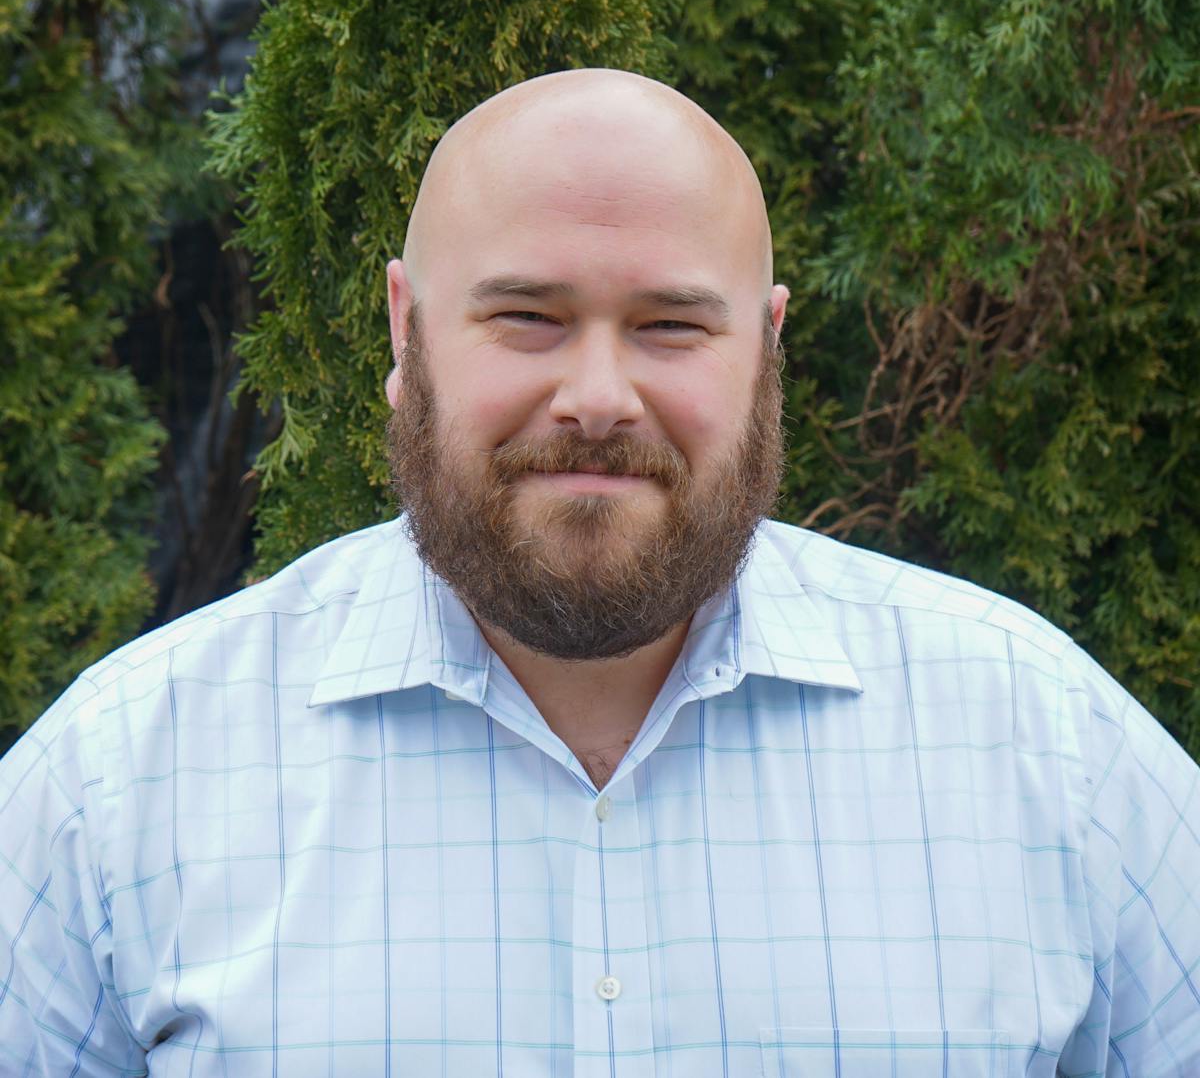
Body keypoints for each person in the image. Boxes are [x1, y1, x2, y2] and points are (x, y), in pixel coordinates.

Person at [1, 69, 1197, 1078]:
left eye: (673, 326)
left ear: (768, 347)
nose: (597, 397)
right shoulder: (115, 787)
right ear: (404, 334)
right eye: (526, 315)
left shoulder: (1048, 753)